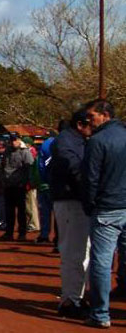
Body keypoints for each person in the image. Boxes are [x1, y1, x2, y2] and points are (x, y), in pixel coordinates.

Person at [82, 99, 126, 329]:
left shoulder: (97, 141)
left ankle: (100, 313)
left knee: (102, 260)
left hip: (107, 208)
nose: (89, 120)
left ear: (105, 115)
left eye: (92, 116)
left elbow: (90, 178)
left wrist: (89, 205)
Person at [50, 111, 91, 319]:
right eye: (90, 124)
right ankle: (69, 300)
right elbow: (75, 170)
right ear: (80, 124)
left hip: (75, 201)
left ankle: (76, 296)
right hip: (70, 201)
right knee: (73, 253)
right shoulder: (66, 141)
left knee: (82, 253)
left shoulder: (75, 140)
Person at [0, 133, 34, 241]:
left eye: (15, 140)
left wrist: (27, 182)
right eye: (12, 140)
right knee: (9, 210)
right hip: (8, 185)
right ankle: (8, 233)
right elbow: (2, 165)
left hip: (20, 186)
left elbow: (30, 168)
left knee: (21, 211)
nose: (13, 142)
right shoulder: (7, 151)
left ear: (19, 140)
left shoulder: (25, 152)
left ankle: (22, 234)